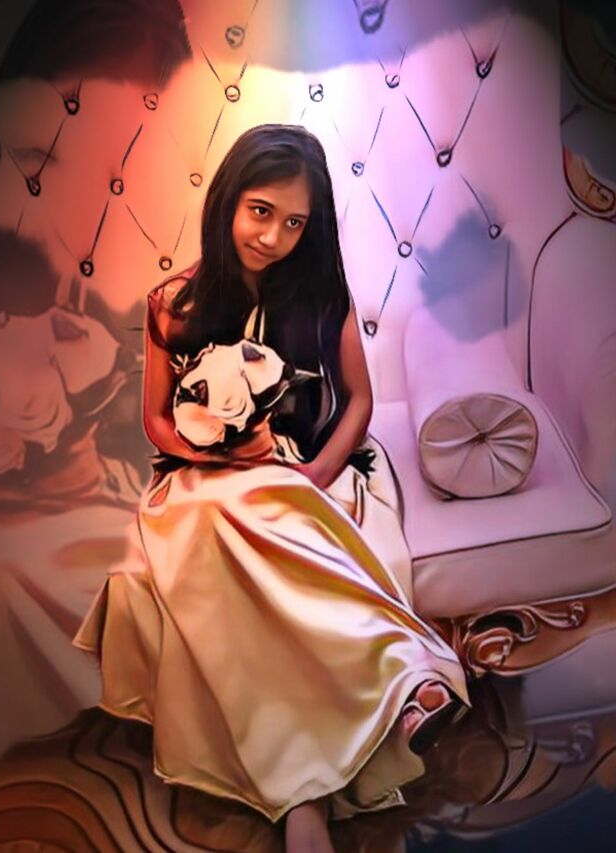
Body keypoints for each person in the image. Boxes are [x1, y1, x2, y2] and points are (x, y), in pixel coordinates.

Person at [74, 124, 470, 852]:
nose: (274, 237)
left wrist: (314, 475)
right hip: (206, 478)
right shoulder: (172, 303)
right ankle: (395, 691)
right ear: (228, 199)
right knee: (218, 519)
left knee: (270, 516)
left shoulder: (321, 296)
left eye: (295, 223)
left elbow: (359, 402)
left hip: (309, 468)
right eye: (261, 211)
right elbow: (156, 421)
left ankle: (330, 764)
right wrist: (218, 454)